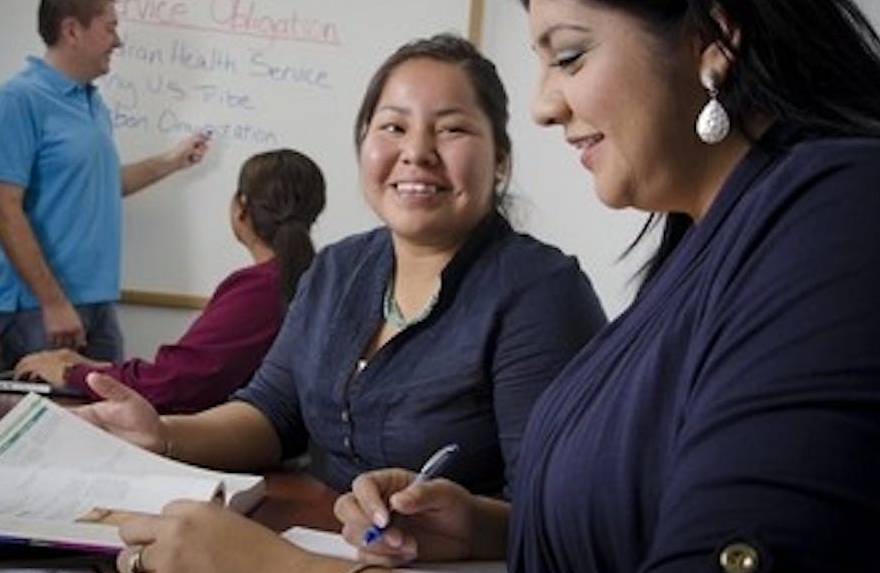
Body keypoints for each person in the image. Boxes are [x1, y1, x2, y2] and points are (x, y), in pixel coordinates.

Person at [104, 0, 880, 573]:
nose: (545, 101)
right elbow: (641, 510)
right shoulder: (702, 242)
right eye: (390, 126)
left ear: (714, 39)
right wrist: (483, 524)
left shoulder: (846, 210)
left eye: (569, 55)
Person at [76, 32, 606, 499]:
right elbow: (271, 413)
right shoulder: (337, 268)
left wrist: (460, 524)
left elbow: (551, 513)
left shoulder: (541, 292)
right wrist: (162, 433)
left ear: (501, 161)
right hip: (315, 540)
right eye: (393, 127)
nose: (416, 152)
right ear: (362, 146)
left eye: (451, 129)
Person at [0, 0, 210, 368]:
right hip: (40, 310)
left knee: (107, 420)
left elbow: (104, 185)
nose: (117, 41)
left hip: (96, 302)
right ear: (72, 30)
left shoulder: (93, 103)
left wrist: (172, 161)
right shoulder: (19, 100)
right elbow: (2, 207)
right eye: (110, 27)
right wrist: (53, 302)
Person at [12, 148, 326, 413]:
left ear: (241, 209)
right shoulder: (319, 280)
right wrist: (91, 368)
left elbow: (173, 386)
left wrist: (71, 373)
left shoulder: (259, 289)